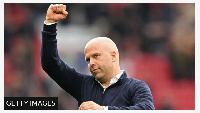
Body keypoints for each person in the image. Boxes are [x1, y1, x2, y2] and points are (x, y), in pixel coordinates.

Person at [41, 4, 155, 110]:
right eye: (88, 59)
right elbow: (51, 64)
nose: (91, 63)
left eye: (96, 56)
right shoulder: (83, 84)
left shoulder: (135, 87)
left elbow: (146, 109)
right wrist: (49, 25)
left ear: (113, 56)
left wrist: (104, 109)